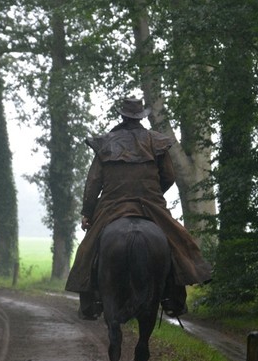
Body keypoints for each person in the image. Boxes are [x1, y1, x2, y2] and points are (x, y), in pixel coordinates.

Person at [65, 96, 212, 319]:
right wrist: (153, 193)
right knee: (178, 241)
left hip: (113, 204)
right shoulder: (156, 142)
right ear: (140, 116)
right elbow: (169, 176)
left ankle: (90, 303)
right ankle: (175, 299)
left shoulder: (106, 143)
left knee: (88, 250)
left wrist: (87, 213)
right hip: (150, 203)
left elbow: (93, 182)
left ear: (122, 116)